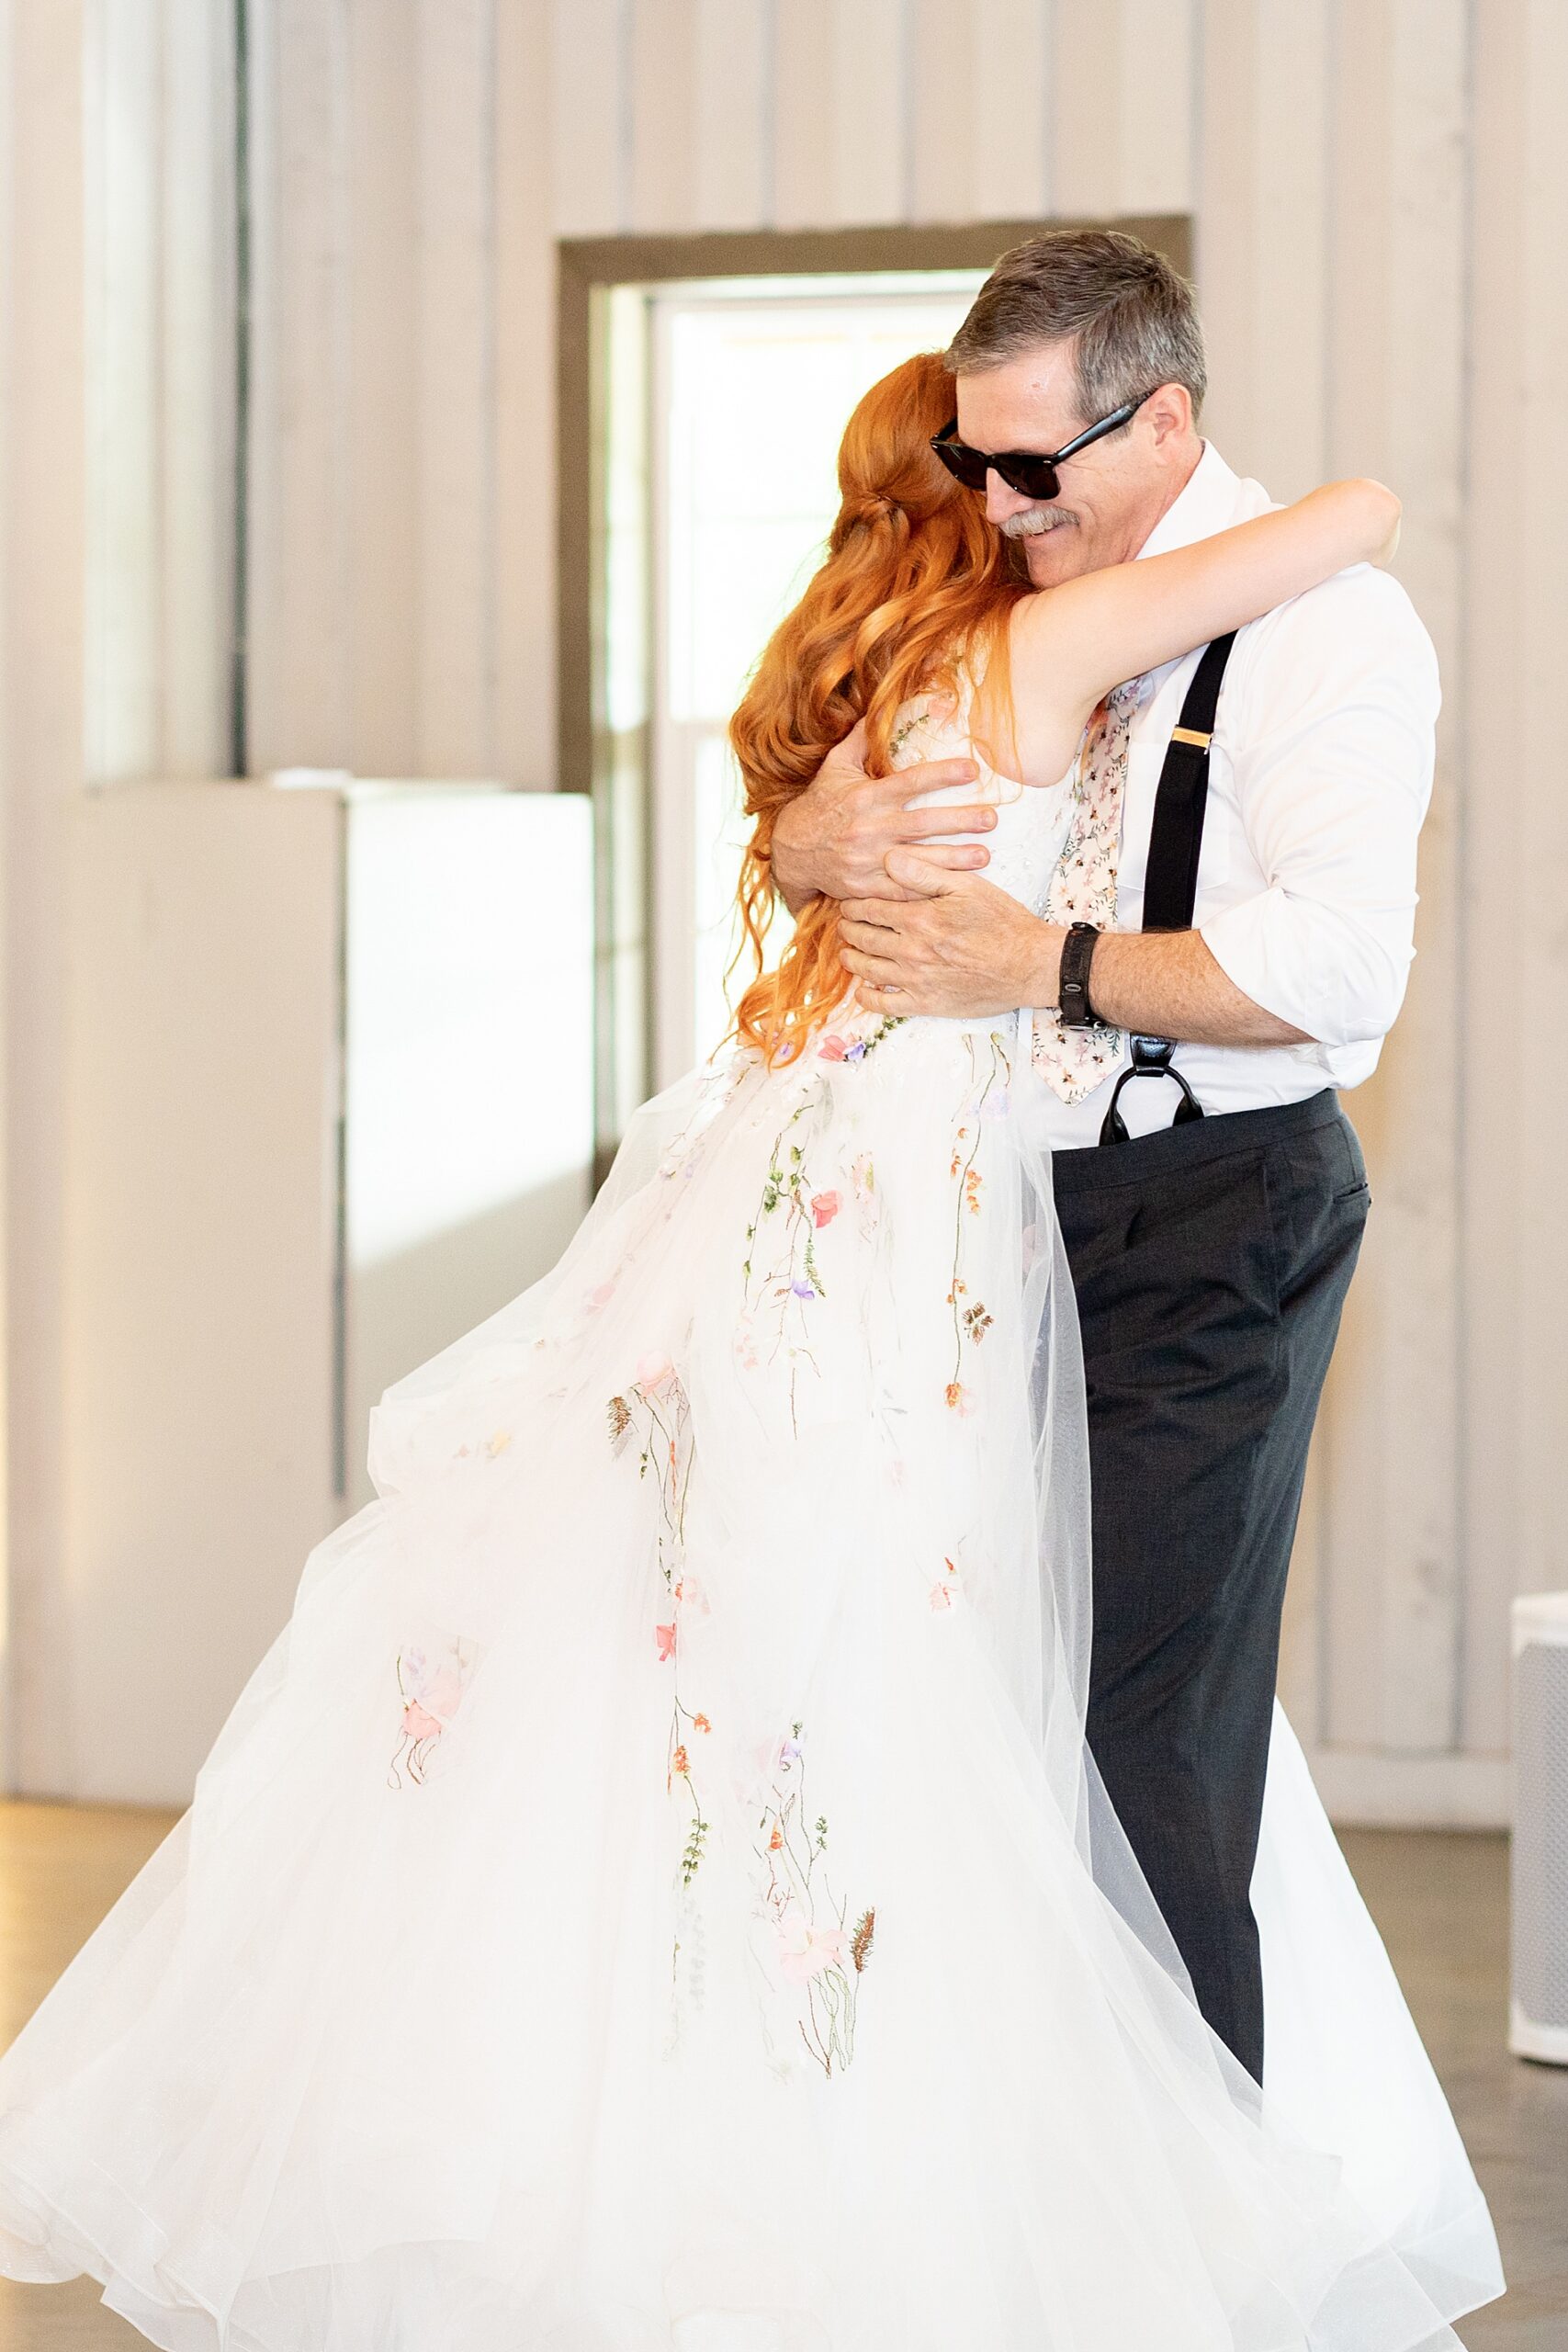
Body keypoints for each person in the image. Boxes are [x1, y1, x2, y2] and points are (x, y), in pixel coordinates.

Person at [0, 356, 1499, 2351]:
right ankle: (1060, 2183)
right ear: (962, 495)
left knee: (849, 1643)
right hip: (933, 1207)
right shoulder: (1035, 643)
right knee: (962, 1661)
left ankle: (804, 2102)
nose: (1021, 494)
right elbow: (1357, 511)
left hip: (811, 1172)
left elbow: (850, 840)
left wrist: (820, 829)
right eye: (992, 471)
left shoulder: (866, 680)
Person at [773, 230, 1436, 2086]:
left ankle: (1190, 2213)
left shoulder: (1325, 622)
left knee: (1138, 1720)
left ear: (1161, 423)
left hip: (1206, 1206)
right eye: (965, 463)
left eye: (1028, 465)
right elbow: (830, 820)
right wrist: (822, 844)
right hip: (986, 1223)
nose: (990, 499)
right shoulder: (999, 600)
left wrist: (1039, 963)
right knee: (969, 1702)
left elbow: (1335, 968)